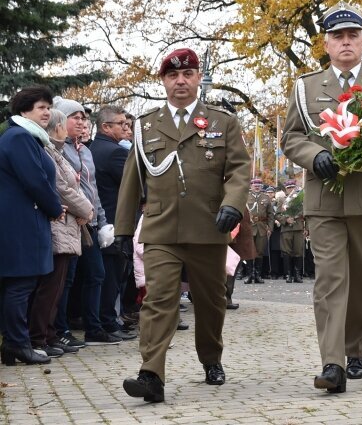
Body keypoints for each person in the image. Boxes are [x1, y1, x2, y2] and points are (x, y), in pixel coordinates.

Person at [114, 48, 251, 402]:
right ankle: (151, 374)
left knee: (211, 301)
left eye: (188, 74)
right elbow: (132, 181)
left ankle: (211, 358)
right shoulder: (146, 125)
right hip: (161, 230)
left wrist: (232, 205)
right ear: (163, 81)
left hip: (208, 227)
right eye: (173, 76)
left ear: (197, 78)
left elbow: (238, 170)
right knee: (159, 299)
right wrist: (123, 230)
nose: (180, 81)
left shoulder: (223, 122)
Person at [281, 1, 362, 393]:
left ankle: (355, 348)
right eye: (338, 36)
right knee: (330, 279)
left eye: (352, 35)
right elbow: (292, 137)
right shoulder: (306, 87)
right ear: (326, 44)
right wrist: (315, 156)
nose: (345, 42)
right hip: (325, 198)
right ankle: (332, 363)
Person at [0, 86, 63, 366]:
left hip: (23, 219)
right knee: (20, 284)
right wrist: (54, 207)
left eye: (49, 107)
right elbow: (35, 180)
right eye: (41, 107)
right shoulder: (19, 137)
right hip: (19, 222)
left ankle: (14, 344)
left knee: (19, 284)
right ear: (24, 110)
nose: (47, 112)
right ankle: (16, 343)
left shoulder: (27, 137)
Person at [28, 109, 93, 358]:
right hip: (58, 225)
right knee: (50, 286)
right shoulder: (47, 151)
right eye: (67, 122)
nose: (73, 125)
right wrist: (86, 209)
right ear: (57, 127)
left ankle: (50, 333)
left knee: (58, 285)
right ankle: (38, 337)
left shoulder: (56, 151)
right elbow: (61, 188)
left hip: (68, 225)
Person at [53, 96, 116, 347]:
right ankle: (61, 329)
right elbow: (64, 188)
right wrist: (83, 210)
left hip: (88, 221)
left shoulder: (86, 151)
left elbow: (92, 189)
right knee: (66, 278)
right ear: (61, 119)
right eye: (75, 117)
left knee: (96, 274)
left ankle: (94, 328)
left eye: (83, 118)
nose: (81, 122)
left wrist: (100, 221)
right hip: (68, 220)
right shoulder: (57, 148)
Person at [90, 106, 137, 341]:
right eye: (122, 124)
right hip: (115, 222)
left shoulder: (93, 148)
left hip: (101, 220)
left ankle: (106, 320)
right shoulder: (115, 153)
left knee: (105, 276)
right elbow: (135, 187)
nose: (126, 128)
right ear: (106, 126)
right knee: (111, 277)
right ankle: (108, 321)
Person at [245, 179, 273, 284]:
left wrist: (270, 228)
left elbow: (271, 214)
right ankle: (249, 275)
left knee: (260, 252)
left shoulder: (266, 198)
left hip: (262, 228)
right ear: (251, 186)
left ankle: (257, 275)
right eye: (255, 185)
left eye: (259, 185)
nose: (257, 187)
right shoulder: (246, 197)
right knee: (249, 251)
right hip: (249, 227)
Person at [279, 179, 305, 283]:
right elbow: (276, 214)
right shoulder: (282, 199)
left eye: (292, 187)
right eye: (288, 188)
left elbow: (306, 214)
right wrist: (286, 220)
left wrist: (306, 228)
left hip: (298, 227)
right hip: (286, 228)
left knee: (298, 251)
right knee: (286, 251)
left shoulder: (300, 199)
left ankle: (297, 275)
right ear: (286, 189)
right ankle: (288, 274)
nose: (291, 189)